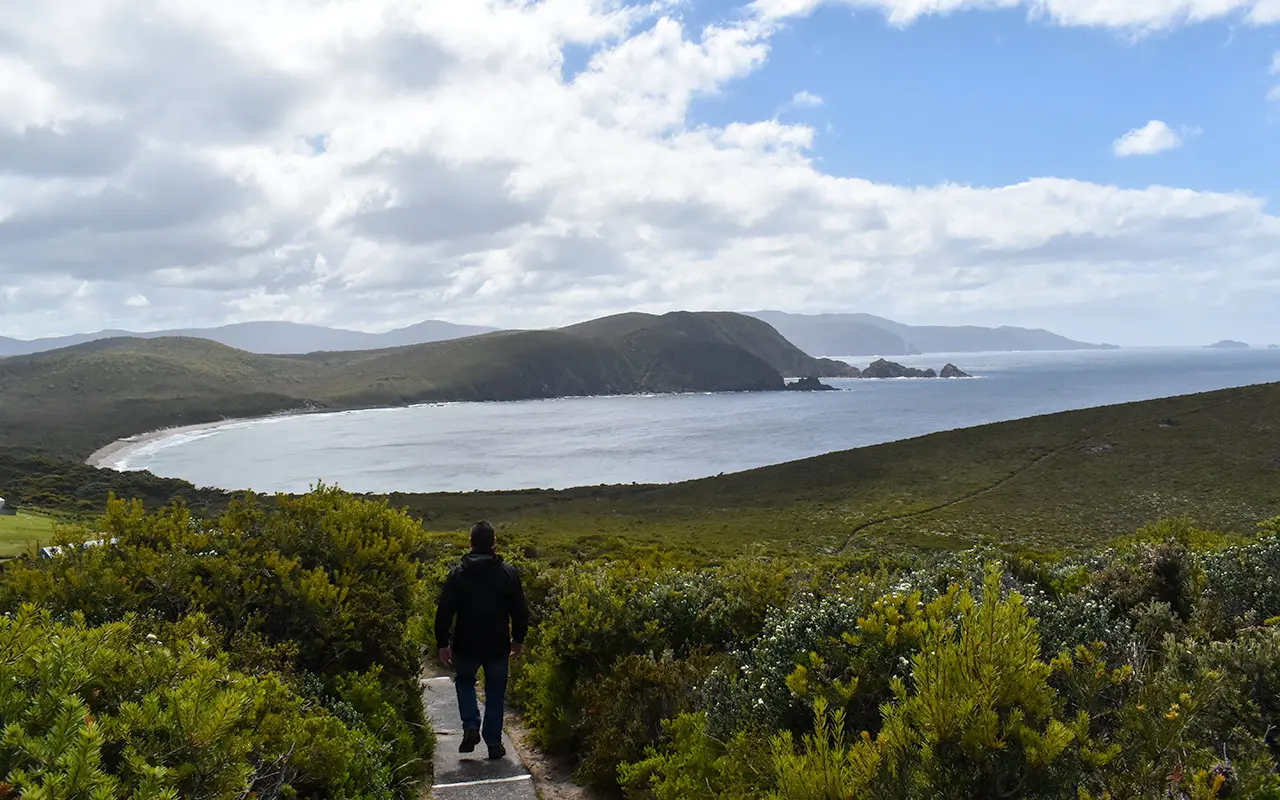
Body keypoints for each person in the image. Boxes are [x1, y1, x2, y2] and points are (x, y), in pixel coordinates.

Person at [434, 520, 530, 759]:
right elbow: (520, 610)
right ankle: (494, 744)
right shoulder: (507, 573)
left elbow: (444, 611)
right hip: (497, 644)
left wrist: (442, 643)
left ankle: (470, 726)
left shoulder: (457, 574)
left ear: (471, 542)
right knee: (496, 692)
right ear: (493, 543)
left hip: (466, 643)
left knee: (465, 682)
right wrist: (517, 639)